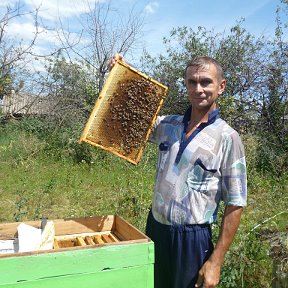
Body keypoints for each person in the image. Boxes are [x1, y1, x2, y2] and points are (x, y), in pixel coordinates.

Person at [108, 53, 247, 288]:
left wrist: (216, 261)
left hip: (193, 241)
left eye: (206, 82)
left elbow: (235, 202)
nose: (199, 88)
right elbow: (129, 118)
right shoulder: (167, 125)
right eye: (192, 82)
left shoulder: (228, 138)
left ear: (221, 86)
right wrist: (119, 75)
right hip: (155, 229)